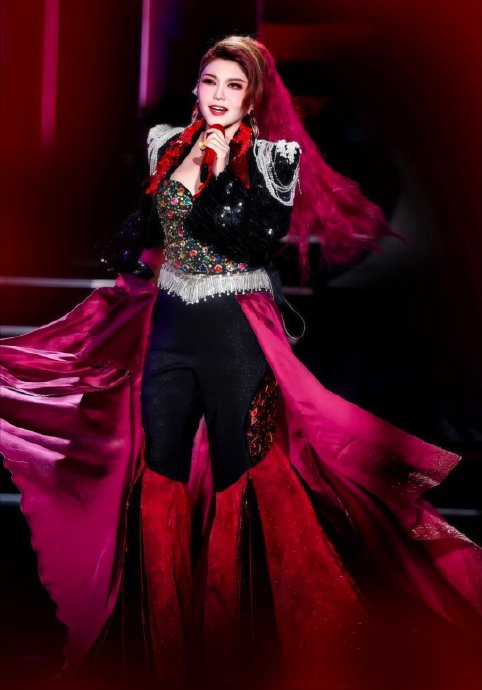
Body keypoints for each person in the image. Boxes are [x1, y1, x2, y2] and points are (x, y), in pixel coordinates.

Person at [1, 35, 481, 690]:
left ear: (253, 96)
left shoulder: (277, 158)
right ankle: (161, 649)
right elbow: (146, 233)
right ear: (197, 89)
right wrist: (166, 207)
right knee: (160, 478)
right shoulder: (166, 143)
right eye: (210, 82)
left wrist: (206, 173)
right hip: (169, 328)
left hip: (236, 333)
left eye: (234, 85)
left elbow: (254, 238)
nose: (220, 95)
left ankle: (243, 643)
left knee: (241, 477)